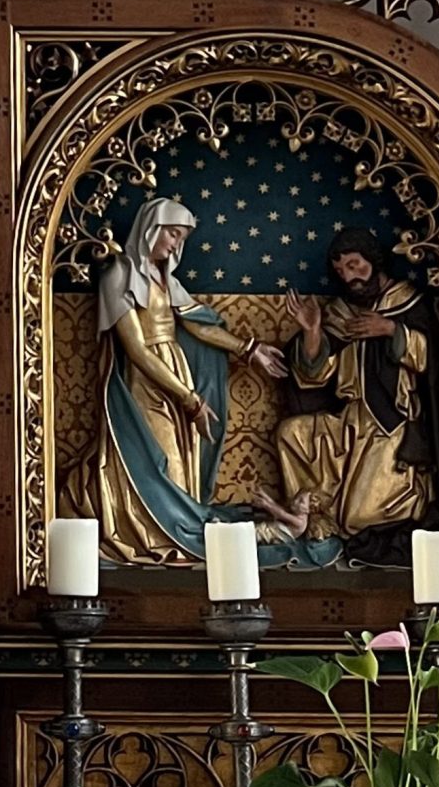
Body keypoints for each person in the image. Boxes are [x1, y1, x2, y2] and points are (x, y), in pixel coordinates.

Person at [86, 197, 293, 567]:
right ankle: (155, 538)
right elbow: (136, 349)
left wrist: (249, 349)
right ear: (151, 228)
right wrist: (189, 398)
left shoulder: (165, 279)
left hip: (176, 371)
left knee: (182, 462)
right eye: (173, 234)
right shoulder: (119, 274)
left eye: (181, 238)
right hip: (146, 381)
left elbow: (197, 325)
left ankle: (175, 535)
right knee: (158, 458)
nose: (175, 245)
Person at [263, 226, 439, 555]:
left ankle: (402, 501)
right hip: (348, 419)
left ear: (374, 259)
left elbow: (435, 359)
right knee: (291, 433)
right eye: (341, 270)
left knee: (359, 518)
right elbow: (314, 376)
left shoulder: (408, 302)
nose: (349, 277)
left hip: (390, 422)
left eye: (354, 265)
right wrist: (312, 331)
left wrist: (390, 330)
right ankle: (312, 517)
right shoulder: (340, 312)